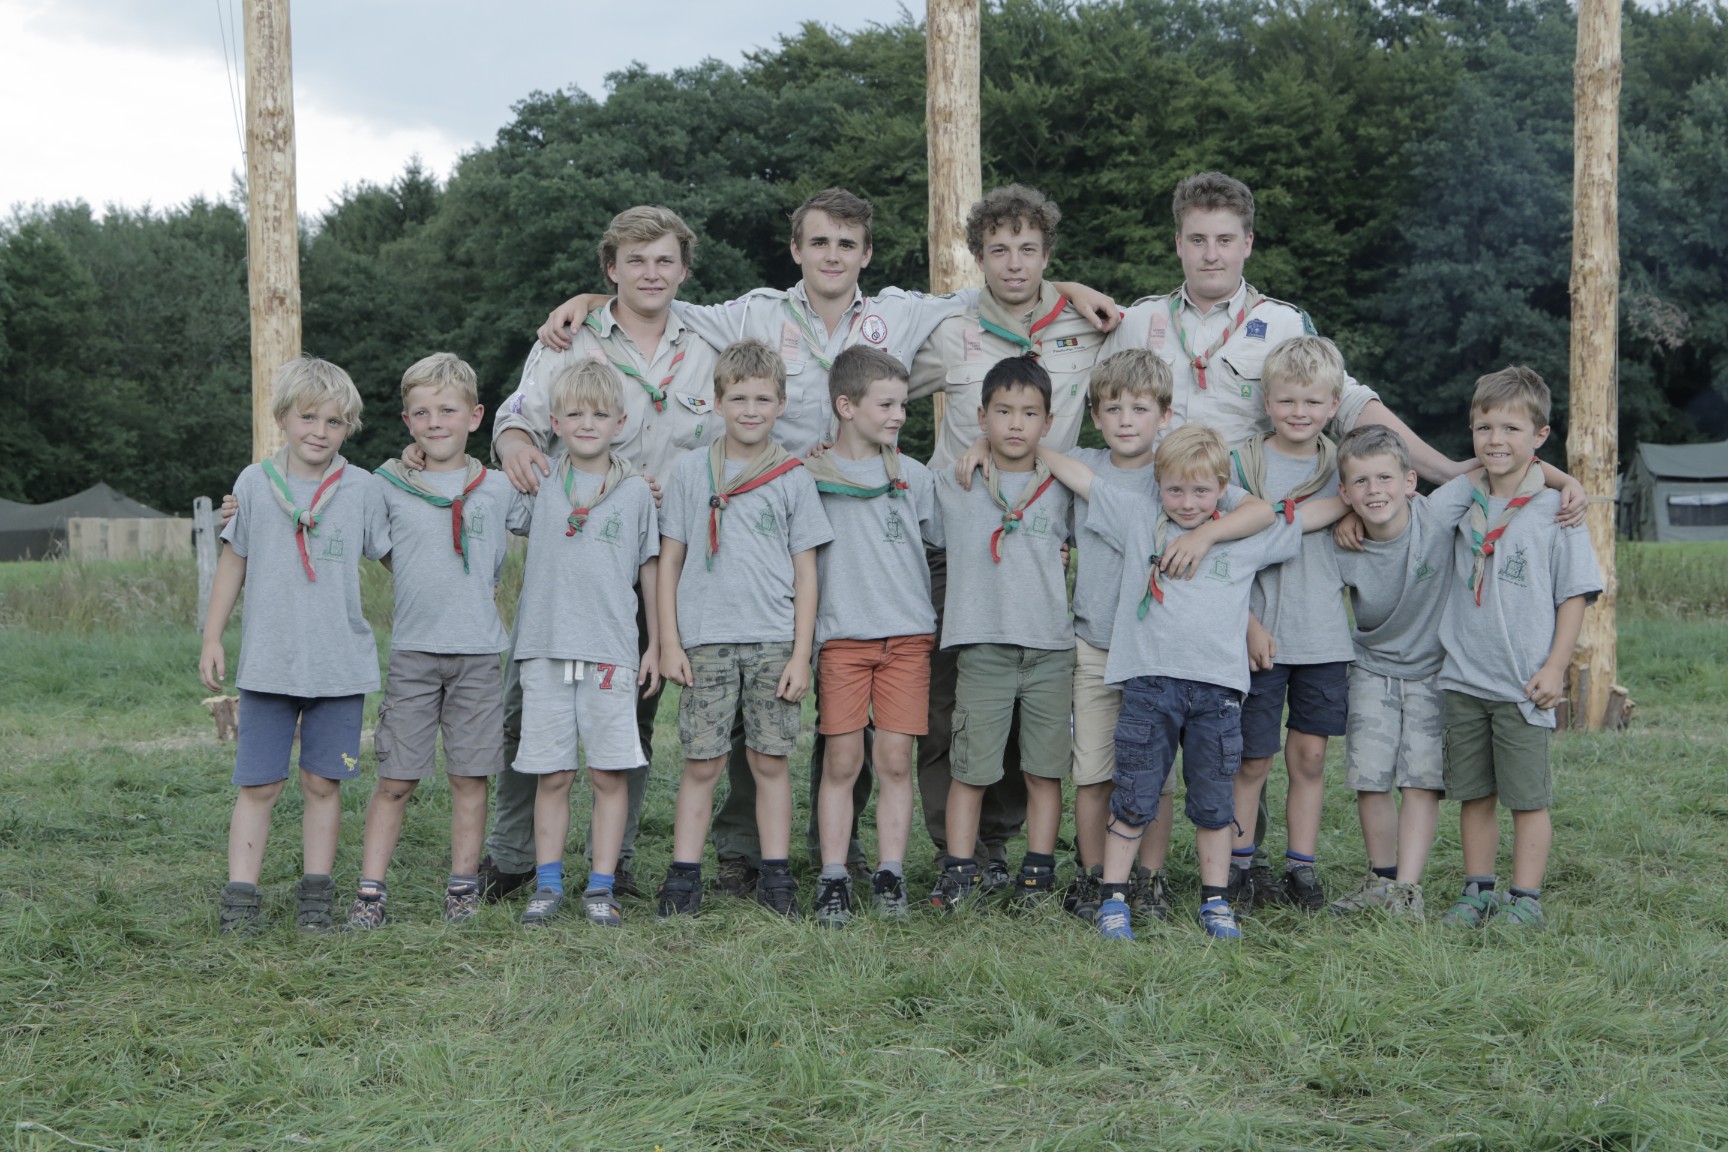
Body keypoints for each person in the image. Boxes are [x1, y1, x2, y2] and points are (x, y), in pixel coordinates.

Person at [538, 187, 1117, 894]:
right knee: (763, 684)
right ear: (796, 250)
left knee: (857, 698)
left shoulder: (900, 313)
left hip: (866, 533)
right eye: (819, 242)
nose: (833, 256)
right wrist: (587, 300)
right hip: (769, 531)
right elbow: (663, 305)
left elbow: (995, 289)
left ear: (867, 253)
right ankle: (745, 850)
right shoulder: (754, 312)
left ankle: (844, 851)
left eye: (847, 244)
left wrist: (1070, 287)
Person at [472, 205, 717, 906]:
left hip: (663, 555)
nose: (651, 273)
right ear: (611, 269)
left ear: (684, 269)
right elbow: (518, 415)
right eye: (635, 260)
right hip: (573, 558)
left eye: (665, 260)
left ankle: (617, 861)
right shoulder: (569, 337)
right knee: (527, 715)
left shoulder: (710, 338)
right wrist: (513, 441)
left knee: (632, 716)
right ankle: (515, 857)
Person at [1043, 423, 1338, 940]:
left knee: (1214, 802)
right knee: (1135, 793)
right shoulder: (1139, 519)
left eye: (1201, 490)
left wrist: (1356, 502)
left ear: (1222, 487)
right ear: (1158, 485)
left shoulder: (1241, 536)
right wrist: (1030, 447)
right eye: (1175, 489)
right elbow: (1084, 479)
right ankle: (1115, 898)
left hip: (1217, 695)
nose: (1186, 502)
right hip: (1149, 687)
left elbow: (1302, 516)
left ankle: (1216, 901)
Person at [913, 183, 1108, 890]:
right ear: (978, 256)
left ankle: (1012, 845)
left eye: (1029, 249)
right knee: (950, 706)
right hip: (959, 535)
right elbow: (874, 389)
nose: (1015, 263)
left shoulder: (1089, 325)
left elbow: (1140, 398)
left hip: (1043, 532)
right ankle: (960, 853)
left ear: (1049, 255)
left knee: (1034, 718)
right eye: (998, 250)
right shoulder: (947, 327)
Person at [1055, 349, 1269, 924]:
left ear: (1164, 414)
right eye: (1113, 409)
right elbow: (1045, 458)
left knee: (1160, 776)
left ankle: (1148, 880)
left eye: (1140, 408)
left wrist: (1206, 536)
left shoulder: (1177, 473)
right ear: (1096, 415)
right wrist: (988, 445)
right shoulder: (1090, 466)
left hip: (1171, 659)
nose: (1126, 420)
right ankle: (1095, 877)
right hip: (1099, 644)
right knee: (1096, 770)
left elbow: (1257, 514)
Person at [1328, 426, 1575, 919]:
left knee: (1420, 780)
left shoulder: (1438, 512)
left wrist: (1569, 482)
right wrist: (1344, 517)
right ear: (1345, 492)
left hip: (1435, 671)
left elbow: (1498, 462)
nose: (1374, 490)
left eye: (1385, 478)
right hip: (1371, 667)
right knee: (1370, 778)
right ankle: (1381, 879)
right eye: (1361, 482)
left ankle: (1408, 889)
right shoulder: (1341, 543)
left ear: (1410, 482)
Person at [202, 357, 390, 934]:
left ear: (348, 427)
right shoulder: (253, 484)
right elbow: (234, 560)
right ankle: (240, 898)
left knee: (322, 783)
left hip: (339, 665)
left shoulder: (363, 488)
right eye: (307, 417)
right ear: (282, 416)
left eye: (334, 422)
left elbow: (396, 555)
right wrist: (212, 636)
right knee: (259, 783)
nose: (319, 431)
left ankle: (316, 897)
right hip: (269, 663)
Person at [655, 339, 833, 919]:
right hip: (705, 639)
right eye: (739, 399)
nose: (750, 410)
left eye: (762, 399)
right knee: (702, 762)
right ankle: (683, 876)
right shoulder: (691, 472)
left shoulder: (792, 477)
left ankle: (777, 876)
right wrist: (669, 642)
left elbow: (806, 572)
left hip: (773, 640)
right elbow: (670, 561)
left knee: (770, 760)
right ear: (717, 402)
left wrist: (801, 654)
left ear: (781, 404)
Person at [346, 354, 516, 930]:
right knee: (396, 778)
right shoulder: (387, 485)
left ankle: (462, 888)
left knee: (470, 776)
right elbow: (355, 525)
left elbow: (567, 503)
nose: (435, 422)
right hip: (414, 654)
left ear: (476, 416)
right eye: (422, 413)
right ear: (407, 421)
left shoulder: (499, 488)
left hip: (478, 654)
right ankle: (371, 892)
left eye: (448, 410)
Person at [1437, 367, 1601, 930]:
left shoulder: (1559, 510)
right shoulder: (1464, 496)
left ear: (1540, 435)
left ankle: (1525, 898)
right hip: (1464, 676)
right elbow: (1404, 515)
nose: (1496, 439)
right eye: (1484, 427)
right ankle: (1477, 890)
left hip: (1524, 682)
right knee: (1474, 794)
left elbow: (1574, 594)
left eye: (1512, 428)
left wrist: (1556, 667)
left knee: (1528, 798)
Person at [503, 360, 662, 927]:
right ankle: (548, 885)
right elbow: (472, 488)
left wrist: (656, 644)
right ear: (555, 422)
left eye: (599, 414)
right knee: (553, 774)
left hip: (611, 651)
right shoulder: (539, 482)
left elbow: (650, 570)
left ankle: (601, 885)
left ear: (621, 421)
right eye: (574, 414)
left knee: (608, 774)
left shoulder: (636, 492)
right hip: (544, 649)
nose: (587, 423)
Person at [927, 354, 1077, 909]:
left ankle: (1037, 875)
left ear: (1048, 421)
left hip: (1049, 650)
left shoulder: (1063, 486)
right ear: (981, 416)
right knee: (971, 768)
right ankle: (960, 871)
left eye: (1030, 413)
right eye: (1004, 411)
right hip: (982, 649)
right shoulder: (954, 483)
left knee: (1043, 769)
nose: (1016, 424)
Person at [804, 346, 943, 925]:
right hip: (842, 639)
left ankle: (890, 874)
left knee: (893, 760)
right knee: (842, 761)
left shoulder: (914, 476)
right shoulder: (810, 478)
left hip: (906, 640)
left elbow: (939, 546)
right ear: (846, 406)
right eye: (886, 405)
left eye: (903, 406)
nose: (898, 416)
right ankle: (833, 876)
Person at [1225, 336, 1356, 911]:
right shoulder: (1239, 463)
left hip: (1322, 635)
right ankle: (1238, 867)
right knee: (1252, 757)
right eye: (1287, 400)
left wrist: (1354, 515)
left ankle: (1301, 869)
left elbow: (1386, 507)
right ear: (1267, 401)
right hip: (1257, 634)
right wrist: (1247, 622)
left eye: (1312, 401)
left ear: (1333, 405)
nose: (1299, 412)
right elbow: (1219, 550)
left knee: (1310, 757)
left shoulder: (1346, 469)